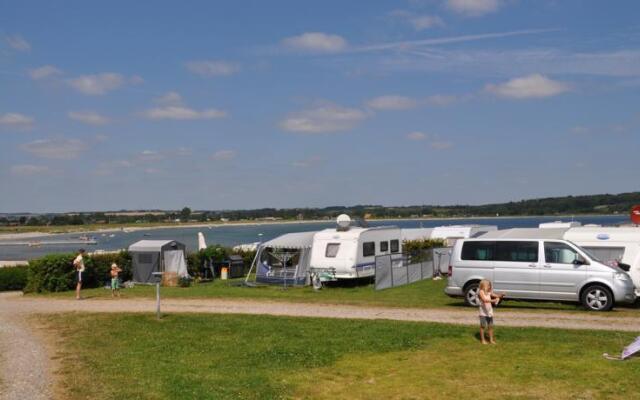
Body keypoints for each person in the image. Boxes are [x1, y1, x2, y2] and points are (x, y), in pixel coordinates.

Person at [477, 279, 504, 344]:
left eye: (490, 285)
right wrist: (493, 301)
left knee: (490, 326)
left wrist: (501, 295)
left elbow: (497, 296)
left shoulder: (489, 292)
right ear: (483, 286)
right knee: (483, 326)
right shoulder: (481, 292)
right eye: (488, 285)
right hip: (483, 313)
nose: (490, 287)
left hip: (489, 312)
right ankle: (483, 340)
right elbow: (484, 300)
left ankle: (491, 340)